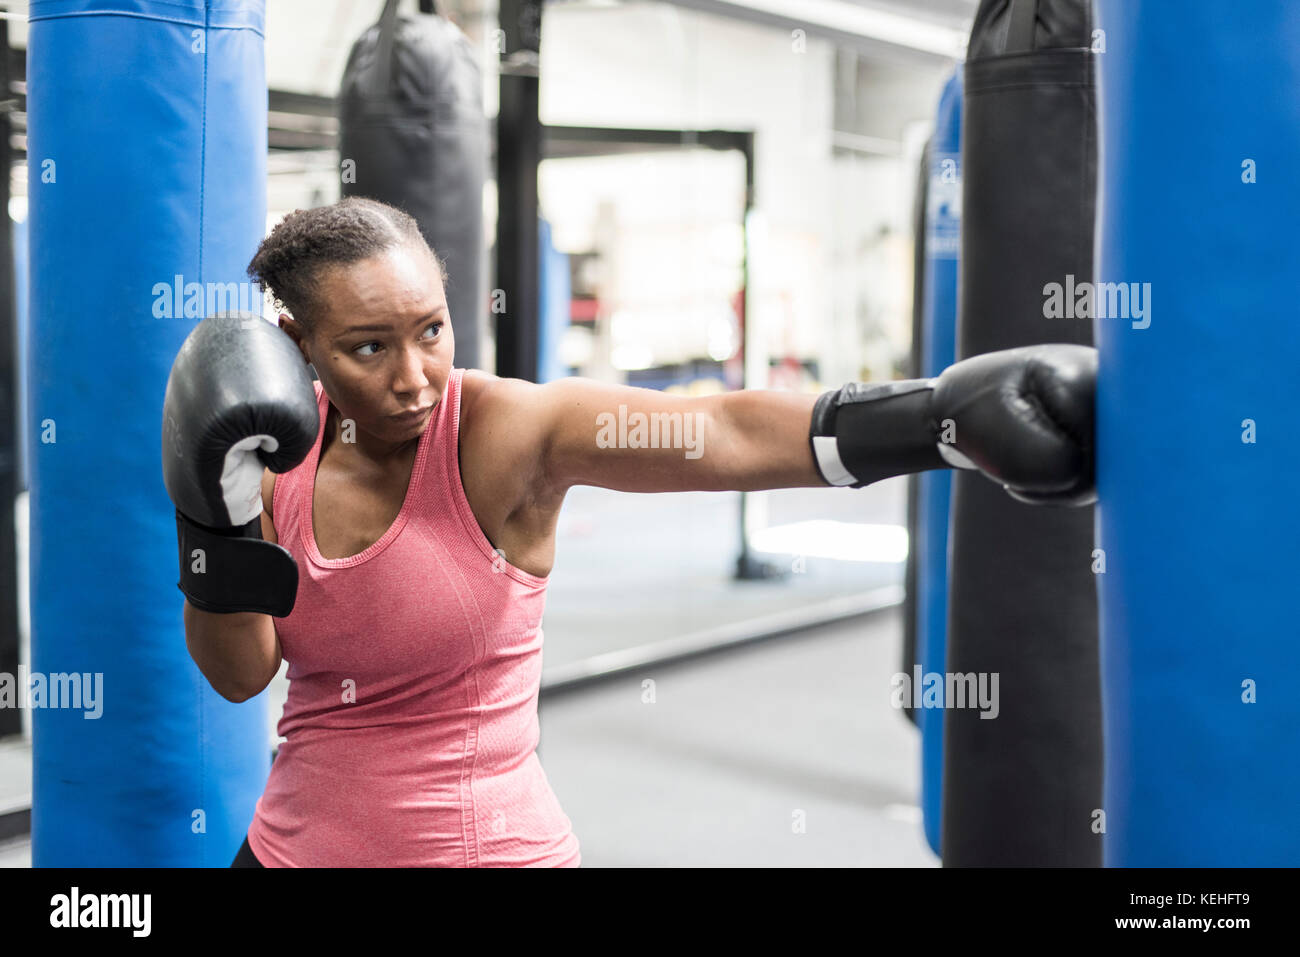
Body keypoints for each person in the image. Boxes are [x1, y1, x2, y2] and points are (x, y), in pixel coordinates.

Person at [161, 197, 1096, 868]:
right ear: (298, 343)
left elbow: (717, 429)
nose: (417, 376)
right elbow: (241, 673)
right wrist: (212, 513)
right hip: (286, 850)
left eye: (434, 330)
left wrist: (934, 417)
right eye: (370, 347)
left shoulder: (506, 433)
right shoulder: (267, 455)